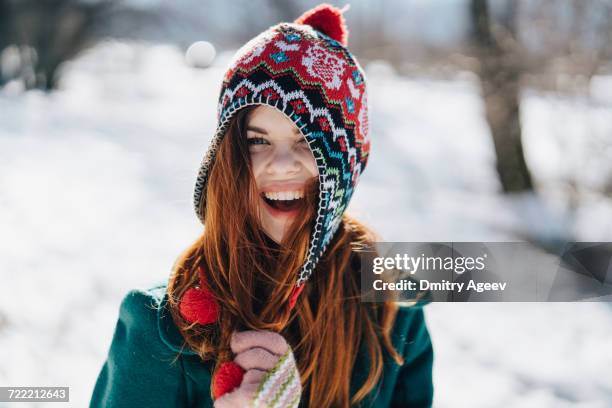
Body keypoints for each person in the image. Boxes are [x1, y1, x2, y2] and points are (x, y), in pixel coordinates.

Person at [90, 4, 434, 407]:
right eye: (258, 141)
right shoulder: (162, 327)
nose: (281, 165)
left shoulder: (392, 315)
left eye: (308, 141)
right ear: (230, 154)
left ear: (345, 168)